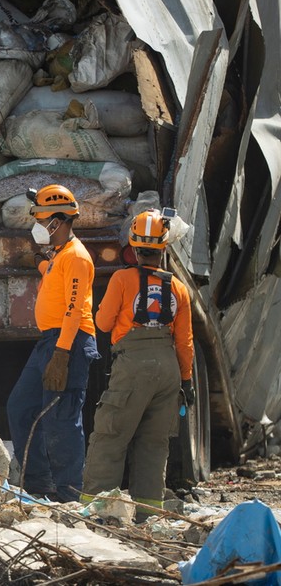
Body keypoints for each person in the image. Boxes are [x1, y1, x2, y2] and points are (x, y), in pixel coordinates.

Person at [81, 209, 194, 519]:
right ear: (164, 248)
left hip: (132, 365)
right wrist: (186, 382)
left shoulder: (121, 278)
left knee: (111, 435)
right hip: (168, 368)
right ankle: (148, 516)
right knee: (154, 444)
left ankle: (97, 513)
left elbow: (103, 324)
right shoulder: (179, 289)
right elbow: (185, 342)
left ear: (131, 246)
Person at [7, 184, 100, 502]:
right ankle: (38, 483)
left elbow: (75, 309)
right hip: (50, 342)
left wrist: (61, 354)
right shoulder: (61, 256)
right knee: (22, 406)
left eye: (41, 219)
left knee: (62, 418)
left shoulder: (77, 258)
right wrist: (38, 262)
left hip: (68, 343)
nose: (37, 225)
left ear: (57, 222)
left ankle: (69, 492)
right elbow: (54, 273)